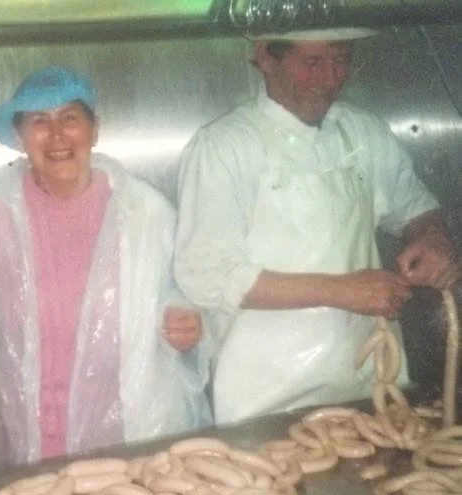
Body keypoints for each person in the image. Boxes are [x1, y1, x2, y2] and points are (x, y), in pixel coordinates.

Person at [174, 29, 460, 425]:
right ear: (265, 57)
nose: (331, 78)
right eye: (313, 63)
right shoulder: (224, 146)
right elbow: (205, 274)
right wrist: (341, 290)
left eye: (341, 60)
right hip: (266, 400)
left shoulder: (363, 131)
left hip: (372, 387)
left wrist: (433, 239)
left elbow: (417, 211)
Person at [0, 66, 212, 467]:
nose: (56, 136)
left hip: (124, 434)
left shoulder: (146, 211)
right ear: (18, 137)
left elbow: (190, 294)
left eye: (70, 119)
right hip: (26, 434)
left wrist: (187, 324)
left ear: (94, 128)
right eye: (38, 122)